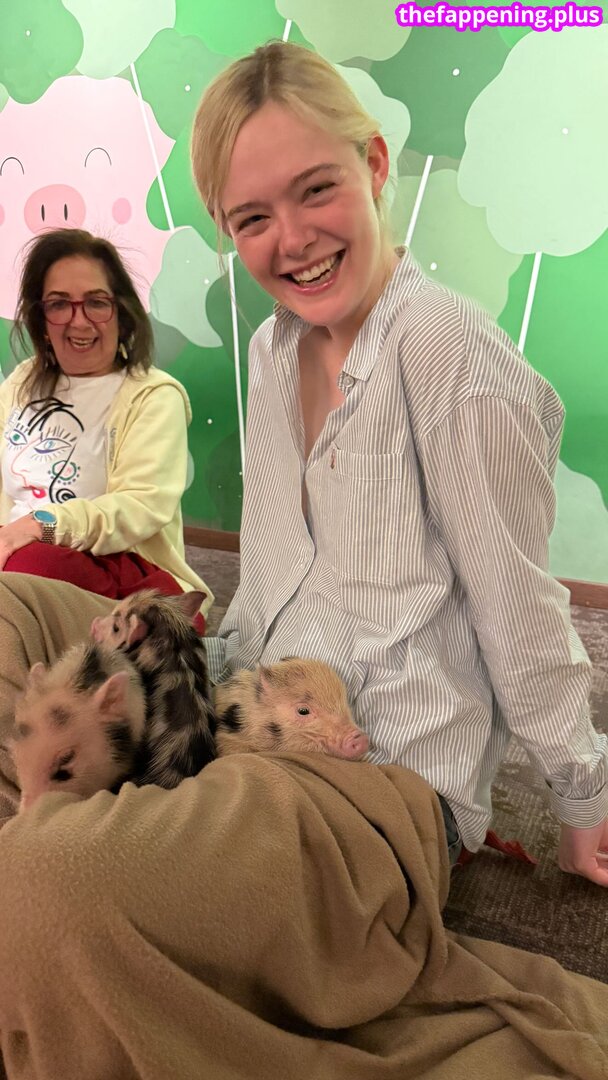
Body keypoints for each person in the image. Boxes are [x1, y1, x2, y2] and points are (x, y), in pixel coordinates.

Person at [0, 42, 606, 1080]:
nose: (291, 239)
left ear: (372, 165)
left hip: (360, 781)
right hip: (235, 690)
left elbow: (520, 607)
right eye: (251, 217)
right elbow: (273, 575)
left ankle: (69, 866)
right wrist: (182, 645)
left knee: (50, 890)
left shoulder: (452, 360)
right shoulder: (273, 350)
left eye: (314, 189)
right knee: (11, 606)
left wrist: (582, 798)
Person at [0, 227, 213, 615]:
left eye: (96, 303)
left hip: (125, 575)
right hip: (17, 554)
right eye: (59, 304)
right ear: (42, 321)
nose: (79, 322)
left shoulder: (154, 396)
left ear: (123, 315)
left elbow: (140, 507)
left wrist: (40, 525)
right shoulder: (20, 383)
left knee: (30, 569)